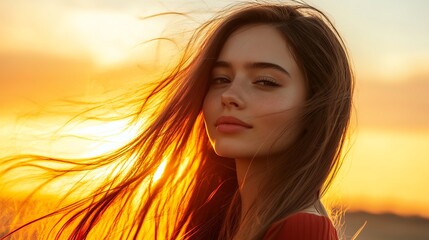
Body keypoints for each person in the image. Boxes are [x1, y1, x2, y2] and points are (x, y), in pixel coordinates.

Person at [1, 1, 353, 240]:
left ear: (315, 108)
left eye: (265, 81)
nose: (229, 95)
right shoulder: (233, 221)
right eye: (220, 79)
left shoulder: (300, 230)